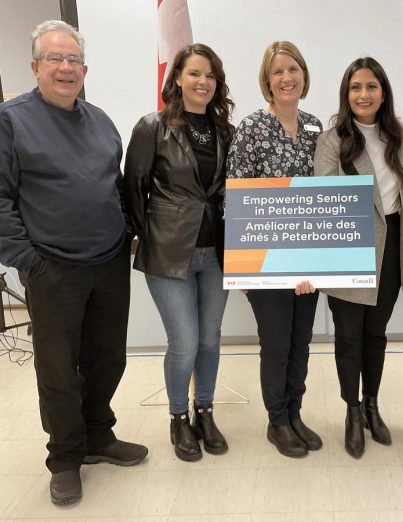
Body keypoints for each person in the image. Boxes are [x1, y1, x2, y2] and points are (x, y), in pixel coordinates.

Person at [0, 20, 148, 506]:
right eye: (55, 59)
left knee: (107, 358)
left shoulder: (99, 120)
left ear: (85, 69)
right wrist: (26, 260)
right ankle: (66, 458)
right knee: (57, 369)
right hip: (52, 268)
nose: (66, 67)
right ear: (36, 67)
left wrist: (127, 235)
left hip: (109, 261)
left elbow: (113, 186)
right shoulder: (8, 121)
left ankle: (98, 435)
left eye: (74, 60)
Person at [124, 44, 233, 462]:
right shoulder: (152, 126)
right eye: (193, 74)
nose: (202, 82)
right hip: (169, 253)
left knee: (210, 339)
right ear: (178, 79)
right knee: (184, 341)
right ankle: (178, 418)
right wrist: (145, 237)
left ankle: (205, 412)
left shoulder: (226, 130)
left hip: (217, 253)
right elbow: (133, 187)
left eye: (210, 75)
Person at [314, 57, 403, 459]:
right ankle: (352, 411)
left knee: (376, 334)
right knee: (348, 337)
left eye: (371, 86)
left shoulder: (401, 134)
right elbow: (325, 192)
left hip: (390, 248)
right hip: (349, 250)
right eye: (356, 87)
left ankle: (372, 404)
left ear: (383, 92)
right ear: (346, 93)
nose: (363, 94)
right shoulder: (331, 140)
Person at [227, 41, 323, 459]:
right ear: (267, 80)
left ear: (304, 75)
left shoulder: (318, 126)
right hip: (266, 263)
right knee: (277, 344)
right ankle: (277, 420)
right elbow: (234, 198)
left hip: (309, 262)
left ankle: (296, 412)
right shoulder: (250, 127)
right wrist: (246, 270)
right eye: (278, 71)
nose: (287, 78)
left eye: (294, 69)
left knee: (301, 342)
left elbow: (326, 196)